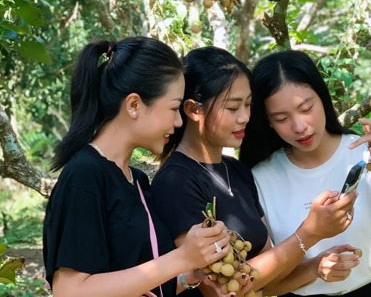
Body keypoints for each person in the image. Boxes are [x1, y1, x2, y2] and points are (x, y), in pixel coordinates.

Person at [151, 47, 361, 297]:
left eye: (248, 105)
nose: (244, 117)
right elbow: (220, 288)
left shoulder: (238, 171)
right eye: (232, 108)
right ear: (194, 110)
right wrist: (310, 232)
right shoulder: (176, 181)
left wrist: (314, 267)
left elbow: (268, 281)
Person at [43, 37, 231, 297]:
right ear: (133, 105)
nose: (178, 122)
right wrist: (182, 258)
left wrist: (191, 274)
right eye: (174, 108)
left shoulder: (138, 180)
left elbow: (141, 280)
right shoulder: (85, 176)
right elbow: (70, 291)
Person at [240, 50, 371, 297]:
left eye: (306, 108)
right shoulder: (261, 178)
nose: (299, 127)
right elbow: (262, 286)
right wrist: (313, 268)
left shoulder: (363, 156)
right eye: (282, 118)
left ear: (323, 98)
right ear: (267, 121)